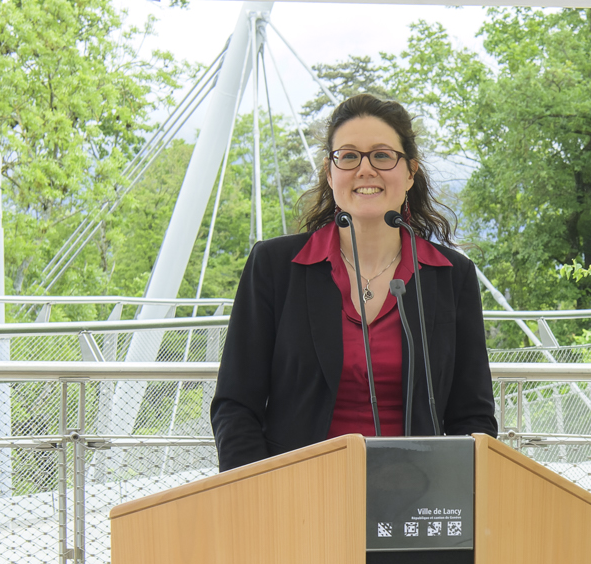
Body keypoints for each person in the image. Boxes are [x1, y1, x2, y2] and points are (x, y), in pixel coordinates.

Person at [211, 93, 497, 471]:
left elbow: (473, 416)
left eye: (382, 155)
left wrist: (455, 497)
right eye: (348, 156)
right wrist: (256, 494)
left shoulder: (451, 275)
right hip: (294, 497)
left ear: (410, 172)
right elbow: (235, 405)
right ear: (330, 174)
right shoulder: (275, 267)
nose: (365, 169)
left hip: (415, 500)